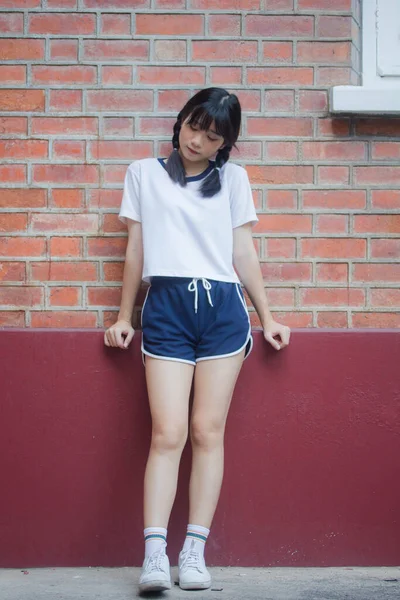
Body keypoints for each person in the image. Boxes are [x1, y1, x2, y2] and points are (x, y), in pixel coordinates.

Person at [104, 87, 290, 594]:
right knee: (168, 434)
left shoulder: (234, 180)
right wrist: (125, 316)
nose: (197, 141)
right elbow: (136, 249)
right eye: (193, 126)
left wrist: (267, 315)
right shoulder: (143, 174)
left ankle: (194, 552)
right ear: (180, 120)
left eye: (212, 136)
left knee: (208, 432)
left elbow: (242, 251)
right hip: (166, 308)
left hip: (223, 311)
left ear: (224, 143)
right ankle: (155, 555)